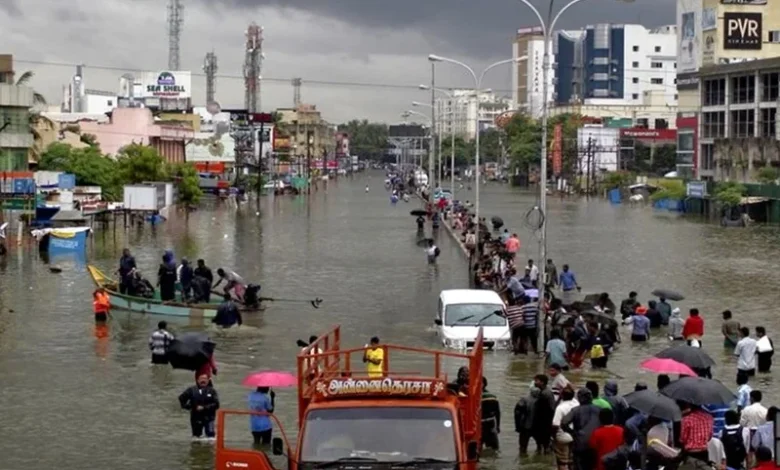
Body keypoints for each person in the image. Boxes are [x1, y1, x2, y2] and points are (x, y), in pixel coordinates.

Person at [561, 388, 602, 470]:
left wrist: (572, 433)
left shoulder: (575, 410)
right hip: (595, 444)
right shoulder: (599, 409)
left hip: (580, 443)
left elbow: (564, 423)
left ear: (580, 398)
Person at [179, 374, 220, 440]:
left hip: (209, 418)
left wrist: (204, 407)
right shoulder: (191, 390)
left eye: (205, 379)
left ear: (208, 380)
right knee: (196, 437)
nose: (203, 380)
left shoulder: (212, 391)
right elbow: (181, 398)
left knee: (211, 437)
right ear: (197, 380)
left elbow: (217, 404)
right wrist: (188, 406)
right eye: (201, 379)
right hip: (196, 417)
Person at [552, 386, 578, 470]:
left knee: (562, 461)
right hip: (575, 436)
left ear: (562, 396)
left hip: (562, 437)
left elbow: (555, 425)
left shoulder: (560, 408)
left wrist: (553, 437)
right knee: (571, 460)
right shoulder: (577, 403)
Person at [533, 374, 556, 455]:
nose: (535, 382)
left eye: (536, 381)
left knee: (545, 441)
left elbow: (551, 408)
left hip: (545, 422)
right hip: (544, 421)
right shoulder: (543, 392)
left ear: (542, 382)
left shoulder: (545, 393)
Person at [514, 384, 540, 455]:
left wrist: (517, 426)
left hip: (525, 426)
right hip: (537, 427)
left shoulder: (524, 399)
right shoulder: (541, 399)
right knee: (540, 446)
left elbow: (517, 414)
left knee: (523, 447)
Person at [480, 378, 501, 450]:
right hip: (486, 425)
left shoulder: (491, 397)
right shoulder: (491, 397)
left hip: (488, 425)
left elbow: (497, 412)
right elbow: (497, 412)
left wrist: (497, 426)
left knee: (493, 448)